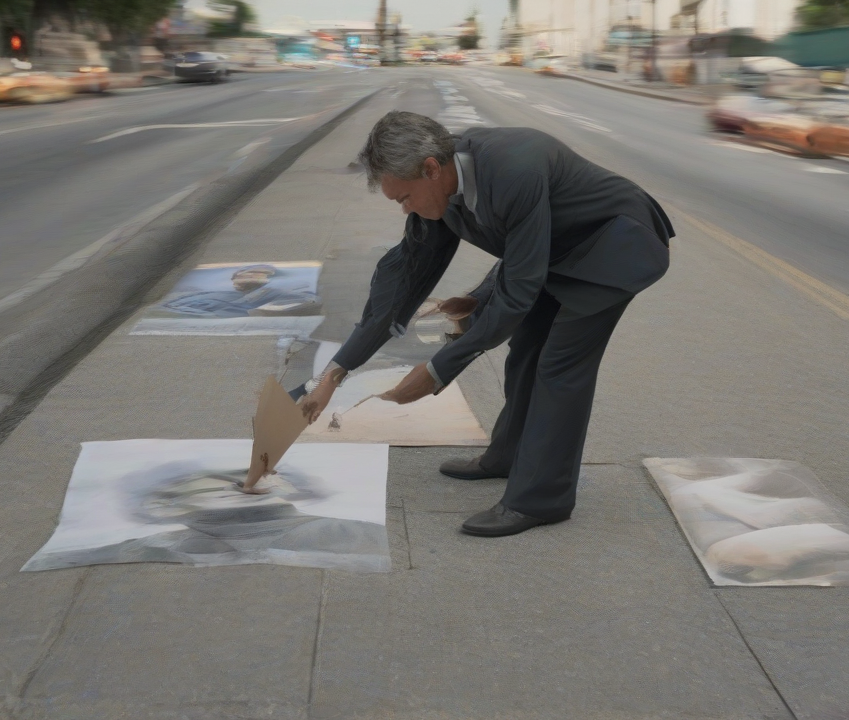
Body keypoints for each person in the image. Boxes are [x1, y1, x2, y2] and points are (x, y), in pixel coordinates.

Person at [301, 111, 673, 537]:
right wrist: (335, 374)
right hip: (557, 252)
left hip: (615, 248)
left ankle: (540, 499)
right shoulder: (440, 188)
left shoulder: (515, 168)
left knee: (559, 368)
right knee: (525, 350)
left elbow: (519, 289)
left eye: (404, 198)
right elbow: (399, 286)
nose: (405, 209)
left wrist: (438, 369)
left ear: (430, 169)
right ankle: (507, 456)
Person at [162, 264, 321, 318]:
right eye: (242, 274)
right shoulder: (212, 293)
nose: (249, 276)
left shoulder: (274, 292)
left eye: (257, 274)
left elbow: (309, 300)